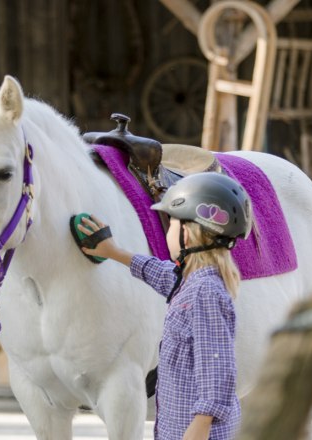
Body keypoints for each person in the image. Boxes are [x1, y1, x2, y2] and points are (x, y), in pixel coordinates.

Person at [77, 172, 251, 440]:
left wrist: (201, 425)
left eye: (170, 223)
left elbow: (217, 365)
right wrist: (114, 252)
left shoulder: (205, 292)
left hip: (196, 432)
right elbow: (163, 274)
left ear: (188, 234)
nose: (166, 231)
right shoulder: (191, 281)